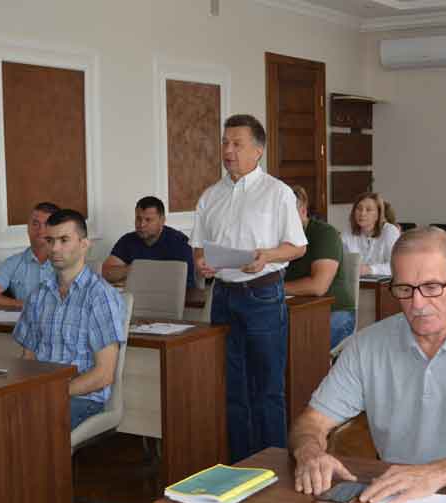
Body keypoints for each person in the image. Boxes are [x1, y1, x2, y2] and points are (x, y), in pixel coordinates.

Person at [290, 226, 446, 503]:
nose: (417, 303)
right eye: (404, 289)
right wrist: (309, 452)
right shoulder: (366, 345)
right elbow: (311, 422)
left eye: (432, 287)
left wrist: (438, 473)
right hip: (397, 498)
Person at [190, 114, 307, 462]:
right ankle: (242, 465)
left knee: (267, 388)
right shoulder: (211, 196)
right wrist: (201, 261)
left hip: (262, 294)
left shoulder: (277, 193)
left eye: (237, 144)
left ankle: (274, 467)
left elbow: (297, 247)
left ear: (258, 150)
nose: (228, 150)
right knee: (233, 387)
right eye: (225, 143)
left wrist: (266, 256)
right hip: (223, 296)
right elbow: (199, 246)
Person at [13, 209, 126, 430]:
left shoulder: (100, 296)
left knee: (30, 424)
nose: (55, 248)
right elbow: (28, 359)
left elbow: (103, 375)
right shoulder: (38, 295)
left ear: (84, 244)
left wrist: (53, 391)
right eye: (50, 240)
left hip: (83, 399)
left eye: (64, 240)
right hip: (44, 394)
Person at [285, 185, 355, 350]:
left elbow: (318, 286)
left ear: (303, 211)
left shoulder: (325, 233)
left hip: (335, 311)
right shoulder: (274, 237)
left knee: (298, 350)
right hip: (292, 309)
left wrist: (272, 289)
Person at [0, 202, 59, 307]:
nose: (40, 230)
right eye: (35, 224)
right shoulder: (14, 263)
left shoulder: (69, 262)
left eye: (46, 225)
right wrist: (22, 304)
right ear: (28, 227)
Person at [102, 196, 196, 288]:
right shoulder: (127, 240)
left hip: (167, 296)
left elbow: (187, 285)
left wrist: (140, 275)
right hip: (134, 296)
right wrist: (133, 269)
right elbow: (105, 273)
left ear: (162, 220)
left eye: (148, 220)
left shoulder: (180, 243)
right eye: (138, 219)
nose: (142, 225)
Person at [341, 193, 400, 277]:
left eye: (368, 210)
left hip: (383, 283)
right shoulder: (348, 231)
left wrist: (370, 269)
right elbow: (340, 261)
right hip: (354, 281)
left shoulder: (390, 231)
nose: (362, 213)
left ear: (378, 215)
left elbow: (396, 266)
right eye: (359, 208)